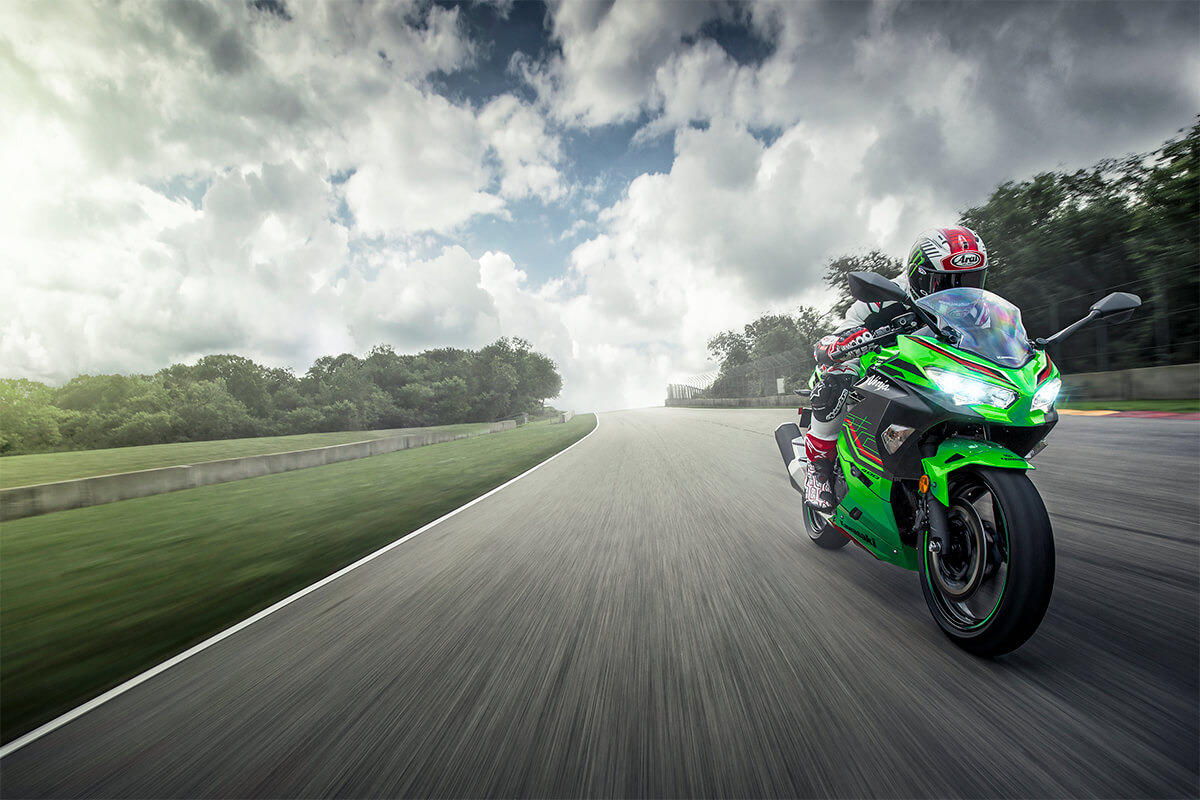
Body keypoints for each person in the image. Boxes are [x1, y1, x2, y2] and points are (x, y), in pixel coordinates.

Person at [803, 226, 990, 511]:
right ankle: (818, 470)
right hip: (877, 363)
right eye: (946, 282)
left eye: (971, 279)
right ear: (920, 275)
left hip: (935, 371)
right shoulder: (882, 298)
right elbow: (832, 342)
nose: (959, 290)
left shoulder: (978, 307)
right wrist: (849, 341)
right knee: (835, 379)